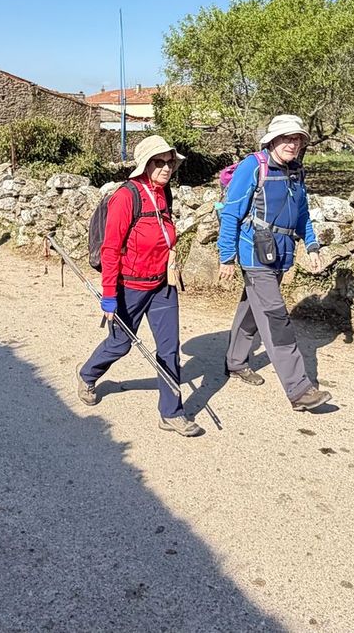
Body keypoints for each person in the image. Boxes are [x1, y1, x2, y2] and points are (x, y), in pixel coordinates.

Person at [76, 136, 201, 437]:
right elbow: (109, 249)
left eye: (170, 162)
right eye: (160, 162)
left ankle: (171, 413)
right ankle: (87, 374)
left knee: (169, 349)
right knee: (120, 344)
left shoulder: (163, 194)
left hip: (162, 285)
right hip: (129, 287)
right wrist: (109, 296)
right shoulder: (126, 197)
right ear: (146, 165)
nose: (167, 167)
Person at [217, 114, 330, 412]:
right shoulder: (253, 167)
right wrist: (226, 256)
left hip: (280, 253)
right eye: (286, 138)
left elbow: (302, 212)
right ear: (272, 140)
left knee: (253, 310)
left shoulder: (296, 171)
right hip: (254, 254)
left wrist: (312, 243)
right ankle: (299, 389)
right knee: (276, 318)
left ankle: (235, 361)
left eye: (297, 139)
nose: (292, 144)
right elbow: (231, 213)